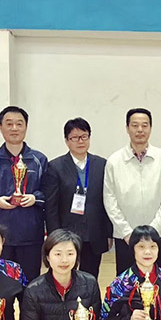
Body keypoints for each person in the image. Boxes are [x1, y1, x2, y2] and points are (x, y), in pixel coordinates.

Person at [0, 106, 48, 283]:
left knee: (30, 287)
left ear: (26, 127)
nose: (14, 128)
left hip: (31, 236)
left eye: (19, 124)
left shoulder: (39, 160)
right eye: (9, 124)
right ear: (1, 127)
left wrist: (35, 198)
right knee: (1, 287)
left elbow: (49, 193)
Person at [104, 108, 161, 275]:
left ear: (150, 128)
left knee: (155, 281)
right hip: (125, 237)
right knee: (126, 282)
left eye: (144, 125)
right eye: (135, 125)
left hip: (157, 235)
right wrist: (127, 232)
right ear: (127, 128)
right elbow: (109, 199)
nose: (140, 130)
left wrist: (153, 231)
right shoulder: (114, 161)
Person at [42, 118, 112, 278]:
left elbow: (108, 201)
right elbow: (51, 206)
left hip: (95, 232)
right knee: (65, 274)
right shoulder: (55, 167)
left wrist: (108, 233)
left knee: (91, 276)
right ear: (67, 141)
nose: (80, 141)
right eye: (74, 137)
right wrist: (55, 236)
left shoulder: (102, 165)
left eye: (84, 136)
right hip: (67, 233)